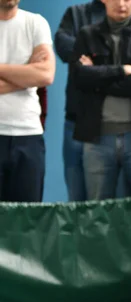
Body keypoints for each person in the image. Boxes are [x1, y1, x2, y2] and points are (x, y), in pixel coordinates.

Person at [55, 0, 131, 201]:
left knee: (121, 201)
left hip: (124, 126)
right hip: (79, 118)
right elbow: (63, 47)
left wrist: (95, 67)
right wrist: (117, 68)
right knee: (78, 199)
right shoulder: (75, 13)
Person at [71, 0, 131, 199]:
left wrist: (99, 79)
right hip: (98, 137)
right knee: (97, 208)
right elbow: (79, 78)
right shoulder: (87, 35)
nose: (121, 3)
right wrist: (122, 70)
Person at [0, 0, 54, 202]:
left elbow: (46, 75)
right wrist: (26, 74)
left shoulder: (36, 23)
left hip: (28, 136)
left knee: (28, 223)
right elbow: (37, 76)